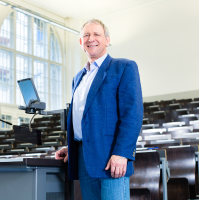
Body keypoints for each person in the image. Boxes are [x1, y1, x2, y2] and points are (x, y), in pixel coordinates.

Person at [55, 19, 143, 200]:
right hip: (84, 158)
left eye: (97, 34)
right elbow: (83, 117)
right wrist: (71, 146)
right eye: (86, 35)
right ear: (81, 42)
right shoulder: (78, 78)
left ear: (107, 40)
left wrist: (122, 153)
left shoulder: (124, 67)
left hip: (112, 158)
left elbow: (132, 115)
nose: (91, 39)